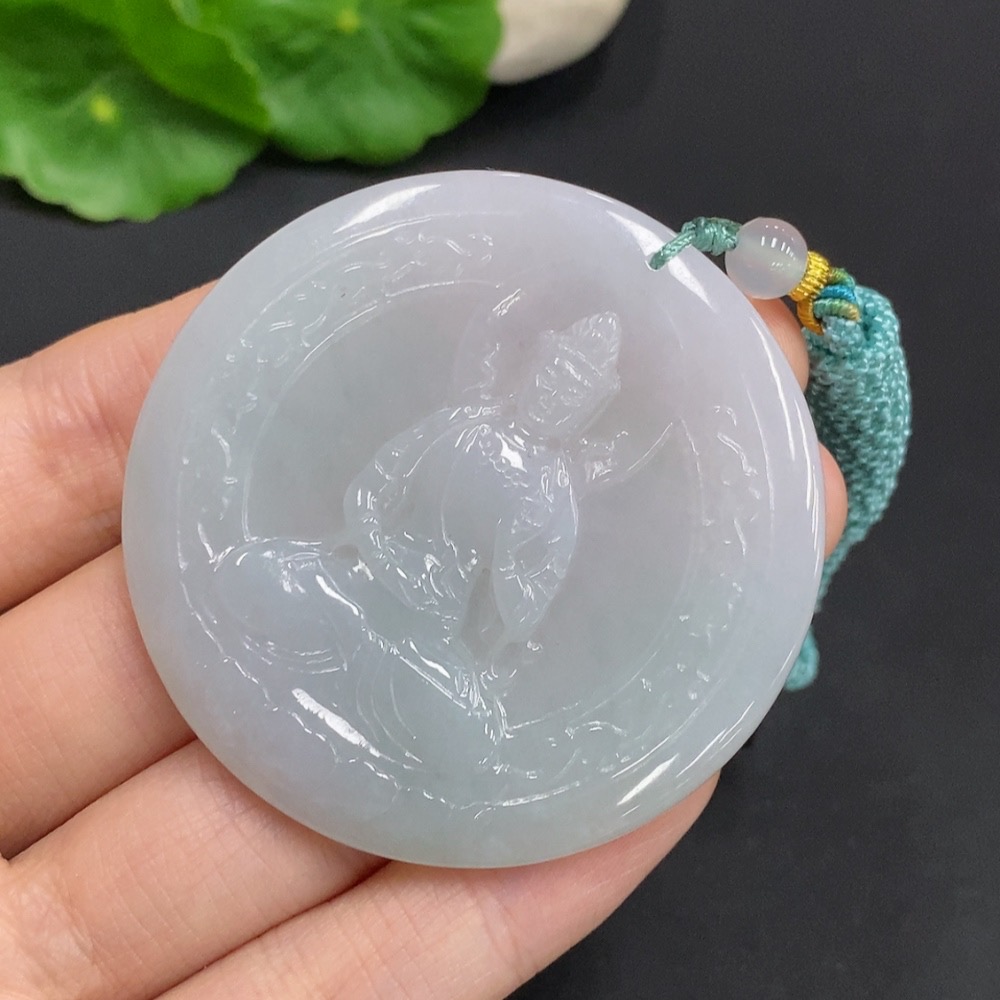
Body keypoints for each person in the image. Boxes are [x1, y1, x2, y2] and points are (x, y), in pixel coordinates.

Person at [0, 287, 846, 999]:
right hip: (354, 591)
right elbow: (373, 491)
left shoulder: (550, 491)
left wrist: (487, 602)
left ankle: (375, 690)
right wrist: (381, 547)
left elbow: (521, 607)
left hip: (420, 647)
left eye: (576, 388)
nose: (557, 391)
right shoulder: (460, 425)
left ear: (591, 404)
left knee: (467, 738)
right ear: (535, 367)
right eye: (554, 372)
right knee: (251, 576)